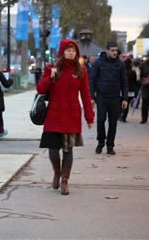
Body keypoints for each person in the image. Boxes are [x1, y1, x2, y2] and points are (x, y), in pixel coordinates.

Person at [37, 39, 94, 195]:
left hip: (71, 116)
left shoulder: (81, 71)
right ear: (62, 52)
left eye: (74, 50)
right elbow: (41, 88)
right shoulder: (52, 68)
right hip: (54, 115)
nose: (71, 53)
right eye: (68, 50)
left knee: (68, 150)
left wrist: (90, 117)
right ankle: (57, 172)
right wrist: (51, 76)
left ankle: (65, 180)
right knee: (53, 151)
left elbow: (86, 95)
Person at [92, 42, 128, 155]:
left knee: (113, 123)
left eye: (116, 50)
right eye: (112, 50)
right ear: (107, 50)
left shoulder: (121, 64)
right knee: (100, 120)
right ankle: (100, 142)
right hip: (101, 97)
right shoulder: (98, 63)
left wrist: (125, 98)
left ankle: (110, 145)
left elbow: (124, 82)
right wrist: (91, 96)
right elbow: (91, 80)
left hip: (115, 98)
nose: (114, 53)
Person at [119, 58, 137, 122]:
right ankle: (124, 117)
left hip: (122, 90)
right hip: (130, 90)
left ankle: (120, 114)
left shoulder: (121, 72)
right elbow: (135, 81)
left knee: (121, 102)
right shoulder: (133, 72)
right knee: (127, 103)